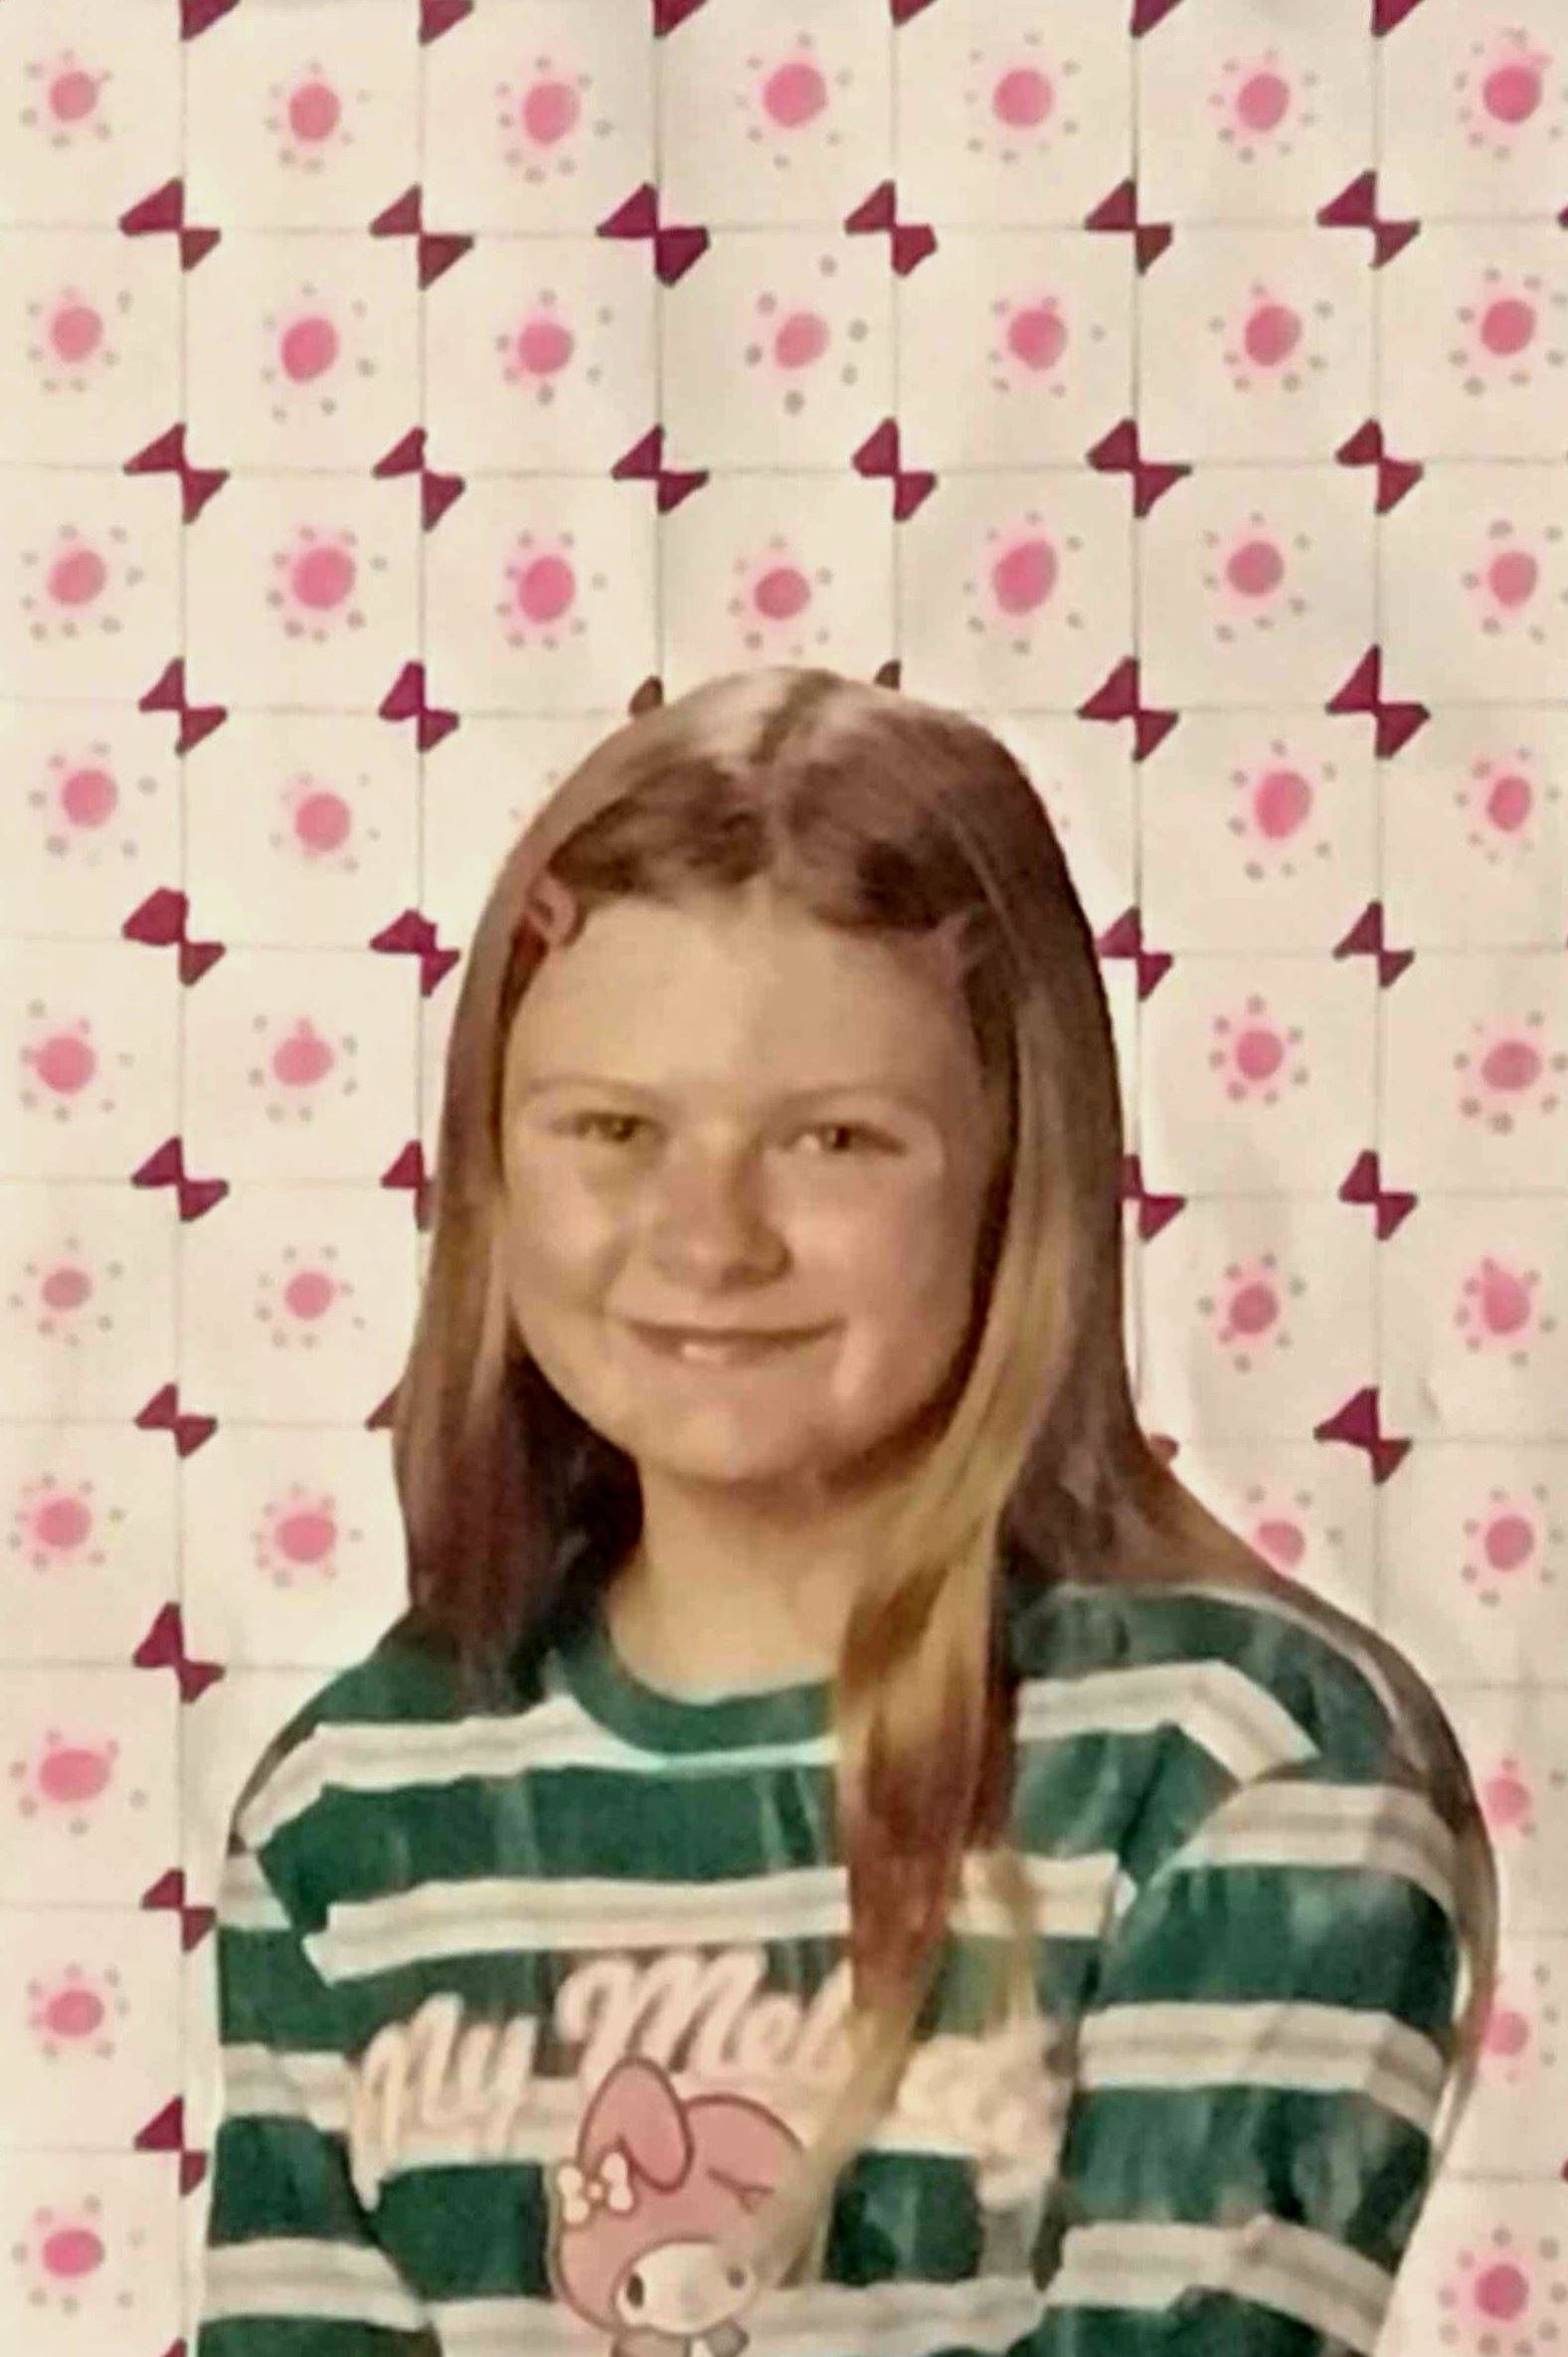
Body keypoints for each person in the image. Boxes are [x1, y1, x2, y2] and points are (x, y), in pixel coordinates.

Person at [195, 664, 1499, 2357]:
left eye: (832, 1140)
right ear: (493, 1167)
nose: (709, 1236)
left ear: (1012, 1170)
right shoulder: (358, 1806)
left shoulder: (1235, 1768)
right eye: (613, 1127)